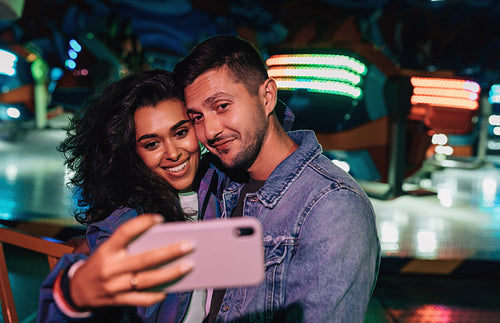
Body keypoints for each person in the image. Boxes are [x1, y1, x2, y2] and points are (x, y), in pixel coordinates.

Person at [172, 35, 381, 322]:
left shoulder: (332, 205)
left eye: (222, 106)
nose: (209, 131)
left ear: (268, 96)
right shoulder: (219, 181)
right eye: (197, 117)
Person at [37, 69, 230, 322]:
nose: (172, 153)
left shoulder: (221, 183)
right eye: (152, 144)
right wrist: (73, 295)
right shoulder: (127, 223)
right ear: (131, 154)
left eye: (181, 132)